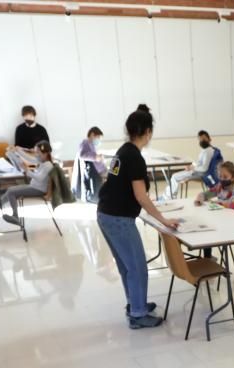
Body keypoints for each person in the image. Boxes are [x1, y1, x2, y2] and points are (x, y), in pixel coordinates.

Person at [96, 106, 181, 329]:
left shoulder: (123, 151)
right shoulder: (134, 157)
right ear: (148, 132)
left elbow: (118, 183)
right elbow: (141, 196)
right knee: (137, 266)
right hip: (118, 217)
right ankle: (138, 314)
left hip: (106, 213)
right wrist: (163, 220)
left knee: (127, 265)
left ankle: (135, 303)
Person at [0, 140, 55, 227]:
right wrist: (17, 150)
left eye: (38, 152)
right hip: (34, 186)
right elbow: (29, 158)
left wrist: (27, 170)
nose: (36, 154)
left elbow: (39, 178)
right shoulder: (41, 161)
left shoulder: (48, 165)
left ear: (45, 153)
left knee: (11, 191)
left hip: (39, 189)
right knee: (10, 190)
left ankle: (15, 215)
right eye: (36, 152)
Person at [166, 130, 218, 200]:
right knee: (175, 176)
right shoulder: (205, 150)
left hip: (201, 174)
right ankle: (169, 196)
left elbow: (204, 168)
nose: (202, 141)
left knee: (174, 177)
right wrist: (191, 166)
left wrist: (192, 168)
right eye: (200, 139)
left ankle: (170, 198)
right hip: (197, 171)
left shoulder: (209, 151)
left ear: (209, 139)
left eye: (204, 139)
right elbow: (199, 162)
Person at [78, 126, 107, 200]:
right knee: (95, 192)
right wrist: (95, 157)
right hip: (92, 172)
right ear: (92, 134)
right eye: (98, 137)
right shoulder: (85, 143)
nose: (98, 140)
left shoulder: (91, 144)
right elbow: (82, 155)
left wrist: (98, 157)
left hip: (98, 171)